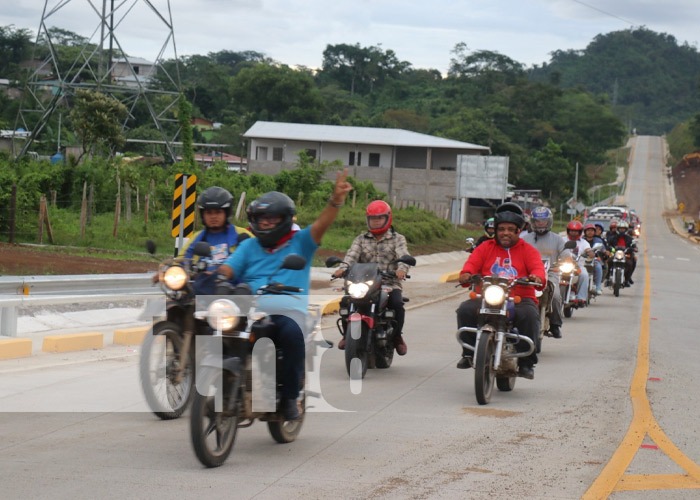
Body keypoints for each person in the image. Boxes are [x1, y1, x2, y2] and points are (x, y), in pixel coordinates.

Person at [218, 170, 353, 421]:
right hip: (250, 308)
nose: (266, 223)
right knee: (216, 329)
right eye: (261, 219)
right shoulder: (248, 245)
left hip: (288, 310)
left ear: (284, 220)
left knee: (291, 334)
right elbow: (228, 268)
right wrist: (216, 277)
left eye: (272, 218)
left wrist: (336, 201)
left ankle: (290, 396)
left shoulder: (300, 242)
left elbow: (322, 224)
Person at [456, 202, 545, 379]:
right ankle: (468, 352)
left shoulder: (528, 250)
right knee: (465, 309)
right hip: (487, 297)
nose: (506, 233)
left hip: (519, 298)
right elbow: (471, 265)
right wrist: (466, 274)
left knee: (529, 315)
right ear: (495, 230)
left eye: (511, 229)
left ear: (518, 231)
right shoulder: (484, 248)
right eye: (502, 229)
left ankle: (527, 362)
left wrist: (536, 277)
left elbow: (538, 269)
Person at [333, 200, 410, 355]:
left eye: (379, 218)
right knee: (346, 301)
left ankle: (396, 337)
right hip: (363, 282)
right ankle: (347, 334)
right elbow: (351, 256)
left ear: (388, 218)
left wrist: (401, 269)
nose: (376, 221)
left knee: (397, 303)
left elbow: (404, 255)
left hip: (389, 282)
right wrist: (342, 269)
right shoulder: (361, 239)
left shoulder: (398, 239)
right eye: (373, 219)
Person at [521, 206, 569, 338]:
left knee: (556, 297)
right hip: (530, 274)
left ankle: (555, 324)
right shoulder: (525, 239)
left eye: (543, 221)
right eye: (537, 221)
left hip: (551, 273)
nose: (540, 224)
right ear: (533, 222)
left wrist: (569, 260)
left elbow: (566, 253)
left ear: (548, 222)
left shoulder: (558, 239)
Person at [565, 220, 593, 306]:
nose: (573, 233)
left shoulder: (584, 243)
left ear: (580, 232)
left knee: (584, 275)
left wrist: (590, 252)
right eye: (572, 231)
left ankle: (581, 298)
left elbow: (589, 250)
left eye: (576, 231)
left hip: (578, 266)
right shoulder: (562, 239)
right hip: (562, 265)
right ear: (568, 231)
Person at [605, 219, 637, 287]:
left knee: (632, 262)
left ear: (626, 230)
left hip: (625, 255)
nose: (622, 230)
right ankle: (607, 277)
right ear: (617, 229)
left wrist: (634, 248)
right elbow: (608, 245)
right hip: (614, 255)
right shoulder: (612, 238)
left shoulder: (630, 238)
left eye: (623, 229)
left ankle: (628, 278)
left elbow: (634, 245)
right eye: (620, 229)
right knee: (608, 262)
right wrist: (609, 248)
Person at [582, 223, 605, 295]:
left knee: (598, 267)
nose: (590, 232)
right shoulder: (582, 240)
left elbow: (602, 249)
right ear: (585, 231)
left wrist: (604, 251)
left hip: (594, 259)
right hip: (582, 259)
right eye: (588, 230)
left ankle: (598, 286)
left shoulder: (598, 240)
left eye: (592, 230)